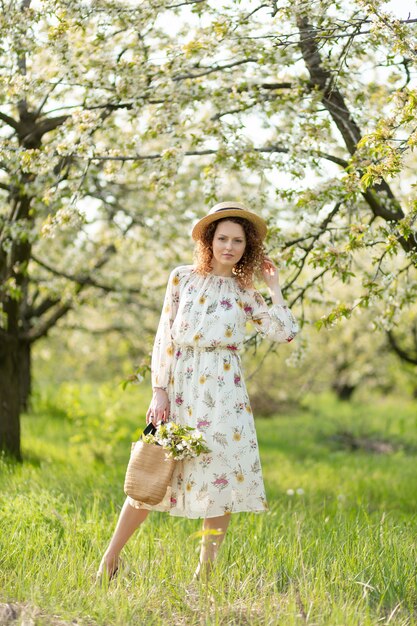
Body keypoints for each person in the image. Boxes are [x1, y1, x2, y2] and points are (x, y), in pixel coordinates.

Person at [97, 201, 299, 583]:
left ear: (247, 246)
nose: (229, 246)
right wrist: (159, 390)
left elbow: (284, 333)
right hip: (181, 386)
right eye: (222, 238)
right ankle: (110, 558)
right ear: (209, 241)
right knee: (152, 472)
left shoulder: (245, 291)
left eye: (237, 240)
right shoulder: (182, 278)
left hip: (225, 393)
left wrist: (274, 289)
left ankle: (205, 572)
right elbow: (164, 335)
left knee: (220, 477)